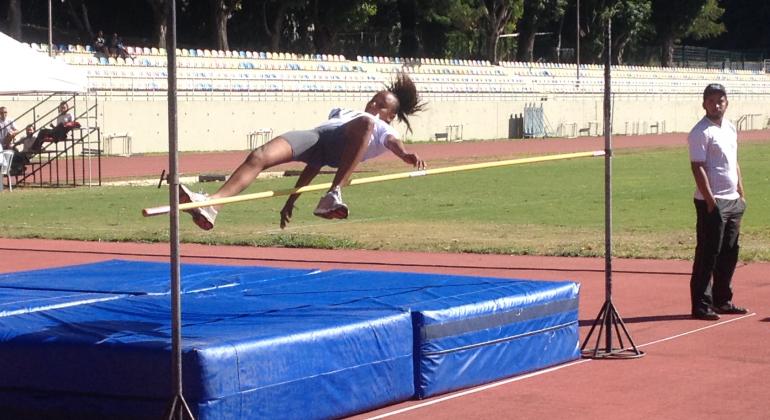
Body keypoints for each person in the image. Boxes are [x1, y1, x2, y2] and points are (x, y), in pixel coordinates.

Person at [179, 72, 427, 230]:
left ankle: (333, 194)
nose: (372, 104)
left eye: (380, 104)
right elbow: (315, 163)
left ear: (390, 115)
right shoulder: (346, 113)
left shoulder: (381, 127)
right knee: (259, 155)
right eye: (373, 99)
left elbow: (394, 143)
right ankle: (212, 206)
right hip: (316, 139)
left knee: (367, 123)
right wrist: (291, 199)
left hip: (341, 146)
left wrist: (405, 155)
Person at [687, 83, 749, 321]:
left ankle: (722, 299)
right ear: (704, 104)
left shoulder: (731, 128)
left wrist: (740, 192)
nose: (716, 105)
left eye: (720, 100)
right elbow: (697, 167)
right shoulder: (701, 132)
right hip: (712, 202)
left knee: (729, 252)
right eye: (712, 101)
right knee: (708, 253)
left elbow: (734, 161)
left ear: (727, 102)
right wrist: (711, 201)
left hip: (733, 200)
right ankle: (701, 304)